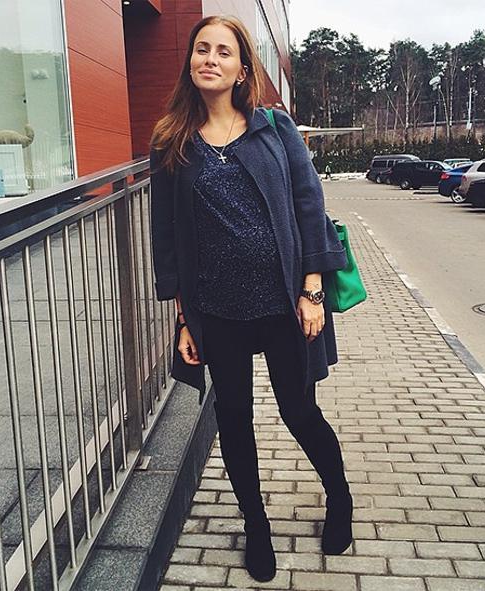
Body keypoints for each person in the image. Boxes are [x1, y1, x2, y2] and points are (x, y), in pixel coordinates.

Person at [149, 15, 353, 583]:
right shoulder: (171, 141)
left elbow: (310, 209)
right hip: (217, 311)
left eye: (223, 51)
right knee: (234, 418)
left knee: (299, 411)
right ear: (190, 61)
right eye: (202, 49)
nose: (210, 59)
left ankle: (339, 497)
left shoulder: (274, 129)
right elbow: (167, 237)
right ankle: (256, 526)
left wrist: (312, 291)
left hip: (283, 304)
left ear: (242, 69)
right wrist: (184, 319)